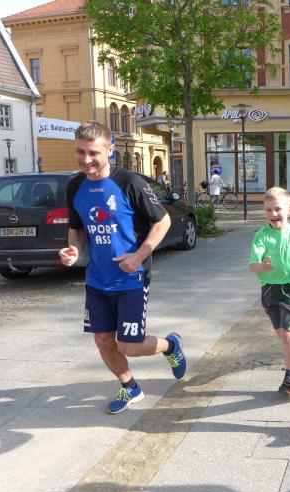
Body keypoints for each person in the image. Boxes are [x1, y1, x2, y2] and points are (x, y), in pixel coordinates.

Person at [58, 121, 187, 415]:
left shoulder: (130, 183)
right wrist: (73, 250)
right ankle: (130, 387)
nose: (86, 159)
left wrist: (140, 255)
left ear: (110, 150)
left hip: (132, 278)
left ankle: (170, 346)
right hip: (97, 279)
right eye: (80, 152)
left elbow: (163, 221)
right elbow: (76, 228)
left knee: (129, 345)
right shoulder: (75, 186)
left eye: (93, 152)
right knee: (103, 340)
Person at [249, 187, 290, 395]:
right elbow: (253, 265)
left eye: (278, 209)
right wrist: (262, 266)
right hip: (269, 290)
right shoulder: (261, 236)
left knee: (286, 335)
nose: (273, 214)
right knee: (282, 333)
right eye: (268, 210)